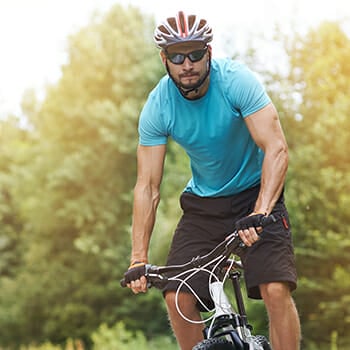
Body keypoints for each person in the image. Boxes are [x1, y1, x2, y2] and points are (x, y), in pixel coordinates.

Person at [123, 11, 301, 350]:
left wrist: (262, 210)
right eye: (177, 56)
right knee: (176, 297)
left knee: (275, 288)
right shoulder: (158, 105)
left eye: (194, 53)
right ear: (165, 59)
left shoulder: (236, 81)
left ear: (209, 52)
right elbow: (147, 186)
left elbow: (276, 148)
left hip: (257, 195)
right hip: (204, 206)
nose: (186, 63)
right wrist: (138, 258)